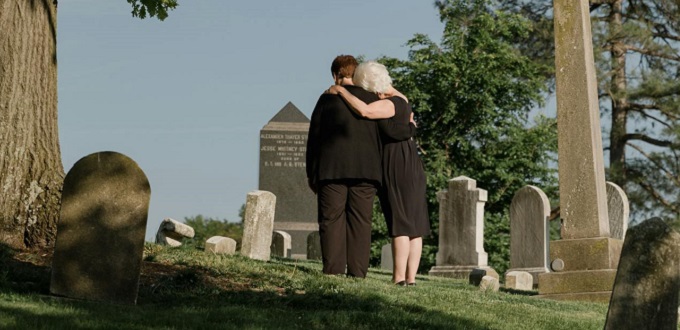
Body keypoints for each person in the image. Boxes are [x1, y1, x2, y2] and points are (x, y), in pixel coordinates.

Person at [306, 55, 413, 278]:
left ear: (335, 75)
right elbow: (388, 132)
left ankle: (333, 271)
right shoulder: (372, 99)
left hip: (331, 169)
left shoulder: (327, 99)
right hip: (367, 170)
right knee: (361, 222)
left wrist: (311, 174)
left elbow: (314, 138)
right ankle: (357, 273)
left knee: (331, 219)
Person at [327, 61, 430, 286]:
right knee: (415, 226)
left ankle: (398, 278)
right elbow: (397, 100)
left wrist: (342, 91)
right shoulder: (401, 100)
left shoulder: (388, 105)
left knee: (401, 222)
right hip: (411, 163)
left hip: (396, 164)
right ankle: (411, 279)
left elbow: (363, 110)